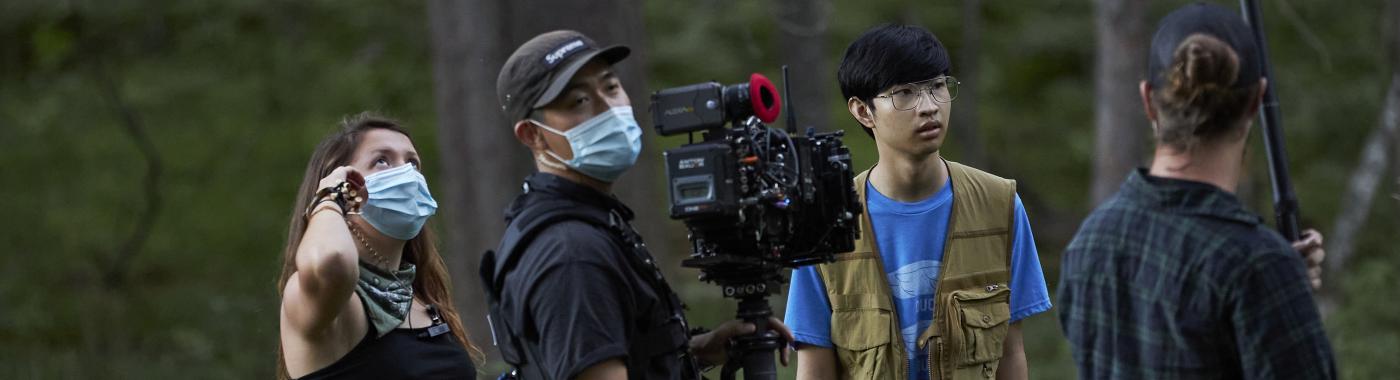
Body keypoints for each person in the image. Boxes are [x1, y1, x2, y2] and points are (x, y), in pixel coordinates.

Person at [477, 30, 792, 380]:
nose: (609, 109)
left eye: (611, 88)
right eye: (579, 101)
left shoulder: (589, 220)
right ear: (532, 135)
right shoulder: (571, 252)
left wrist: (694, 353)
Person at [1057, 3, 1335, 379]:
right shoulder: (1256, 266)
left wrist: (1281, 285)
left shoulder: (1089, 243)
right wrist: (1278, 286)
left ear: (1147, 101)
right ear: (1256, 100)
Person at [784, 24, 1052, 380]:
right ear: (863, 111)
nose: (929, 107)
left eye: (938, 87)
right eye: (904, 93)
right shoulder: (826, 219)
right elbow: (815, 369)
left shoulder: (998, 204)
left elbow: (1011, 354)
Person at [277, 113, 480, 379]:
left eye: (412, 163)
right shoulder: (325, 300)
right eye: (382, 160)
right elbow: (330, 261)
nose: (406, 174)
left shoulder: (423, 300)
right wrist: (328, 198)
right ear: (344, 183)